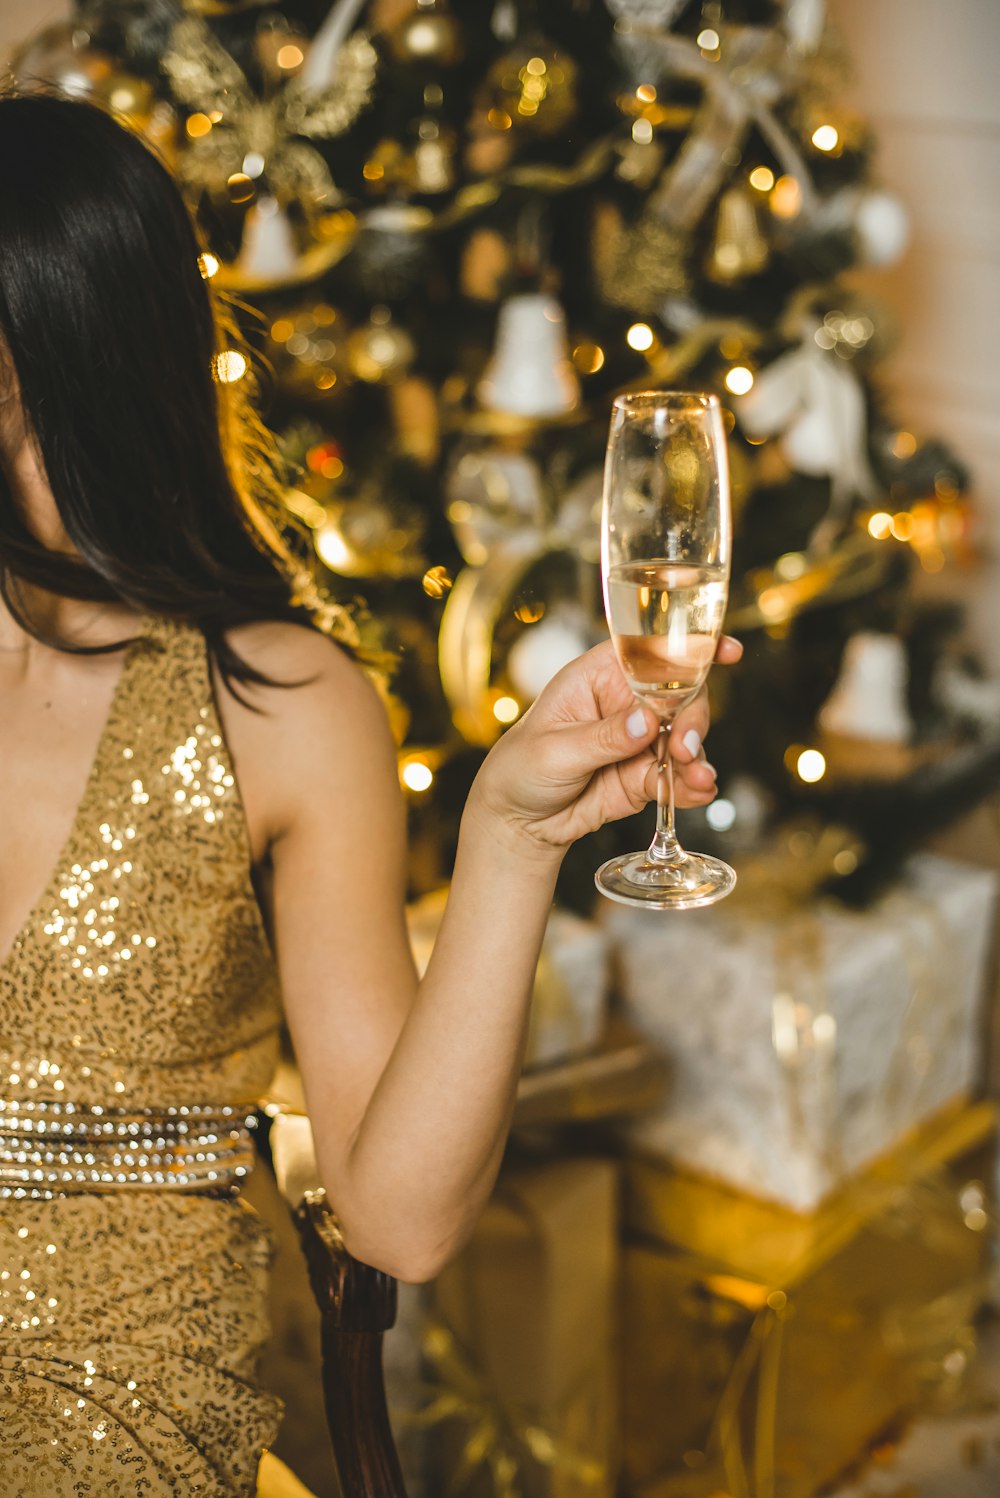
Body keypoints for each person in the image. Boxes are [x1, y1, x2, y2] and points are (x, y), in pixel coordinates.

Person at [0, 92, 740, 1496]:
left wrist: (509, 838)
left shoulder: (278, 701)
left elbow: (397, 1218)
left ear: (62, 354)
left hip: (105, 1390)